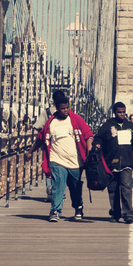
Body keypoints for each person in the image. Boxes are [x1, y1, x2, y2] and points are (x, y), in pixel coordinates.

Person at [30, 89, 93, 222]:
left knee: (75, 186)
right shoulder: (51, 122)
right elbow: (40, 138)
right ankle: (55, 210)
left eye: (67, 108)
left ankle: (78, 206)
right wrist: (31, 151)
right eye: (62, 108)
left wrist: (90, 153)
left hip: (75, 161)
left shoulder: (75, 119)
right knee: (58, 184)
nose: (65, 110)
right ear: (57, 109)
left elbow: (88, 135)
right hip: (56, 159)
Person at [93, 101, 133, 223]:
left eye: (124, 112)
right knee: (113, 188)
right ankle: (115, 212)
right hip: (110, 163)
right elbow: (98, 137)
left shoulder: (130, 125)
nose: (122, 114)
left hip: (127, 162)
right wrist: (97, 144)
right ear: (114, 112)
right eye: (119, 112)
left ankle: (128, 213)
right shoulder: (107, 126)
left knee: (126, 187)